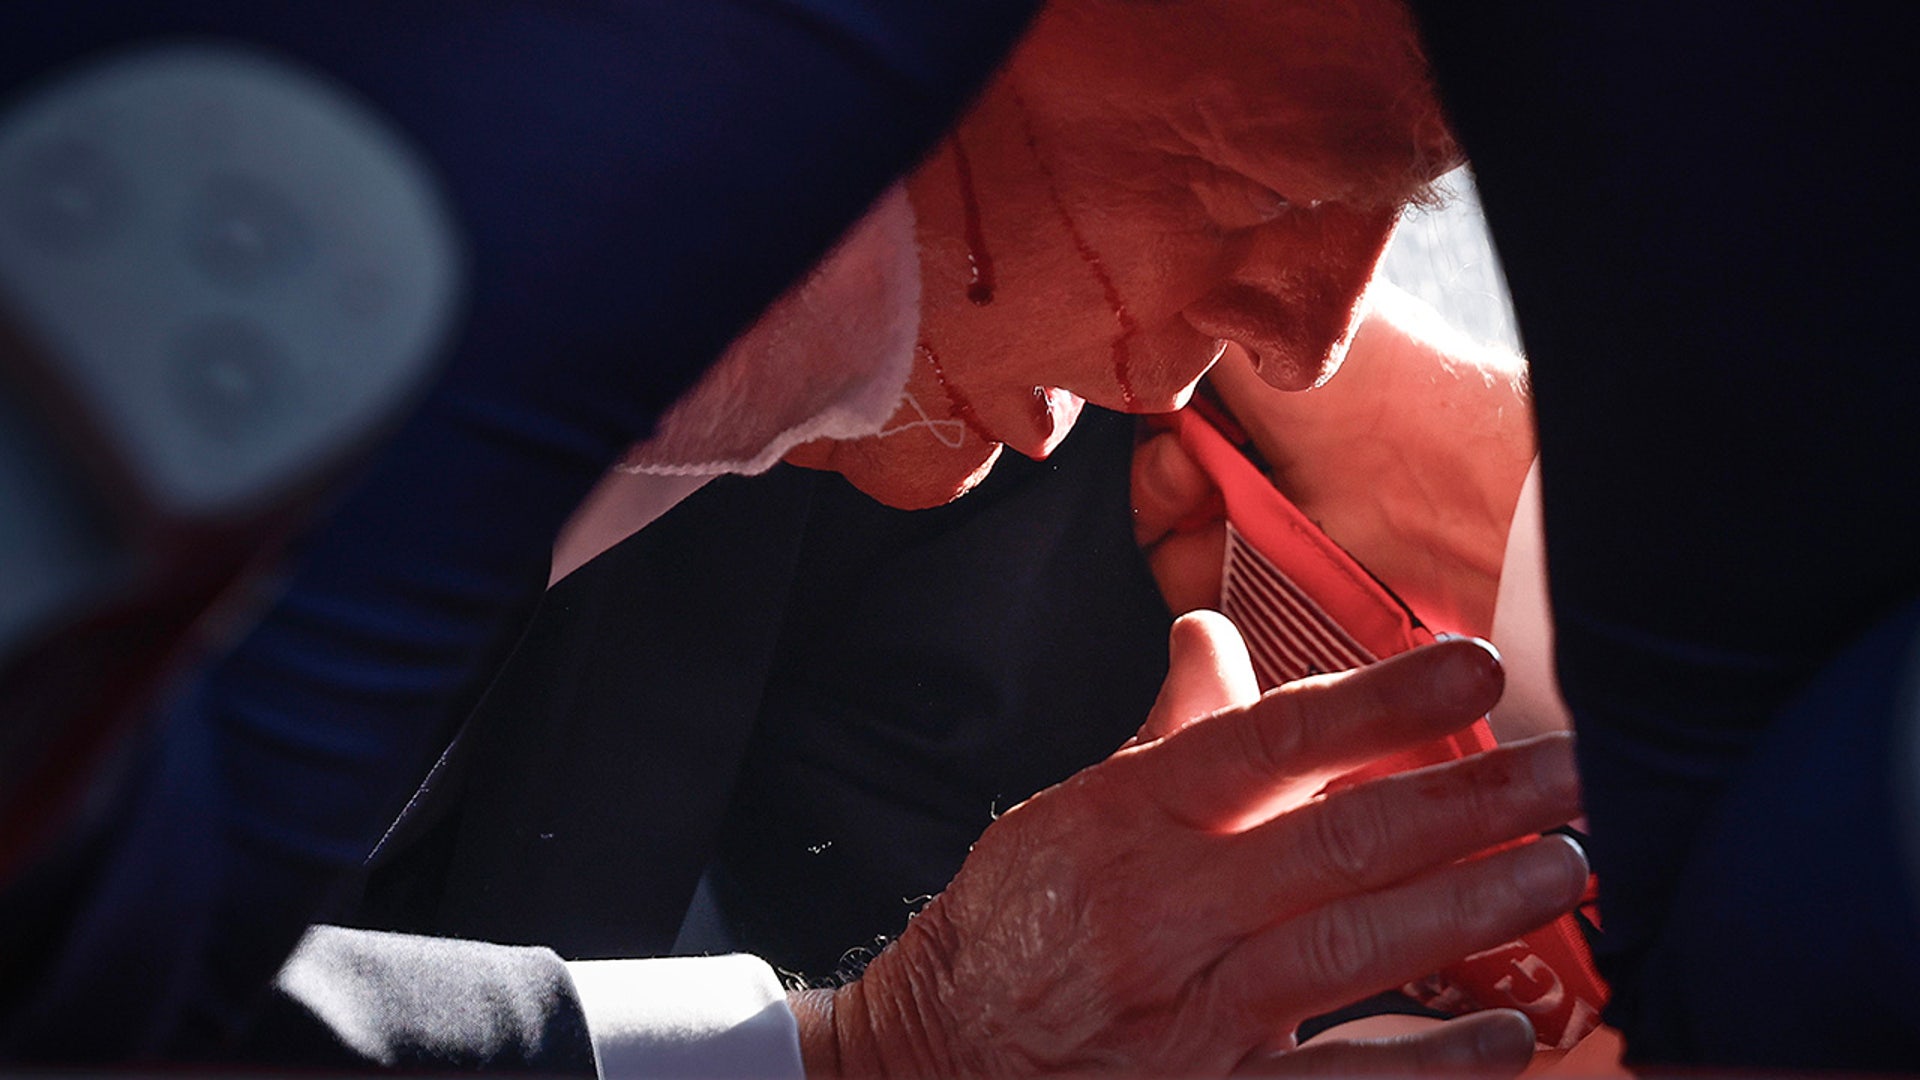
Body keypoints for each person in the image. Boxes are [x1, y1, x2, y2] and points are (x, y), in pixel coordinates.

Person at [4, 1, 1592, 1074]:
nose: (1314, 332)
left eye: (1417, 212)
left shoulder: (1016, 389)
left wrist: (1480, 496)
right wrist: (874, 1052)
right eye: (1248, 188)